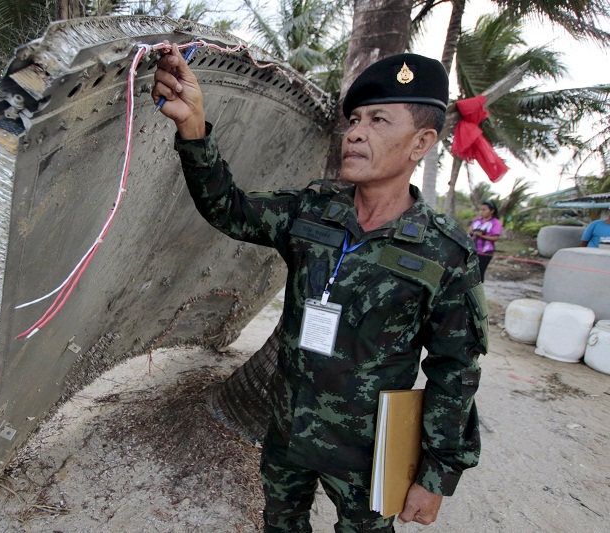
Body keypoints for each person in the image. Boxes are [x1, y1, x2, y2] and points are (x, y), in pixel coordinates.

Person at [153, 47, 487, 531]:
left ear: (421, 143)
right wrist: (193, 124)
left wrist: (437, 474)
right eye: (354, 119)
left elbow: (455, 371)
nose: (355, 132)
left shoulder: (445, 254)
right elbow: (229, 208)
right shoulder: (313, 208)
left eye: (378, 120)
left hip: (370, 453)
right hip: (289, 429)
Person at [468, 200, 502, 281]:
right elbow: (469, 232)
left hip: (485, 251)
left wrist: (482, 236)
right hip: (473, 250)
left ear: (492, 211)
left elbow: (495, 238)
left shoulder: (495, 222)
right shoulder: (477, 220)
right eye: (481, 209)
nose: (481, 212)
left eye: (484, 210)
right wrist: (471, 233)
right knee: (468, 271)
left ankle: (478, 291)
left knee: (479, 272)